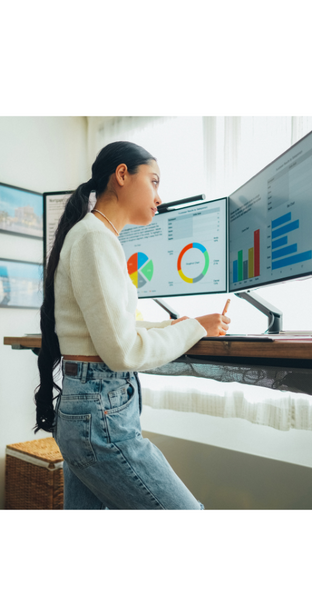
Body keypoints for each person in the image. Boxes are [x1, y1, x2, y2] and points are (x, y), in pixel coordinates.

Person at [34, 141, 230, 509]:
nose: (159, 196)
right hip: (99, 412)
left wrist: (172, 325)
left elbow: (111, 329)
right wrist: (193, 329)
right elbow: (123, 350)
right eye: (154, 181)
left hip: (88, 407)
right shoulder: (96, 238)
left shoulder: (93, 235)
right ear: (122, 175)